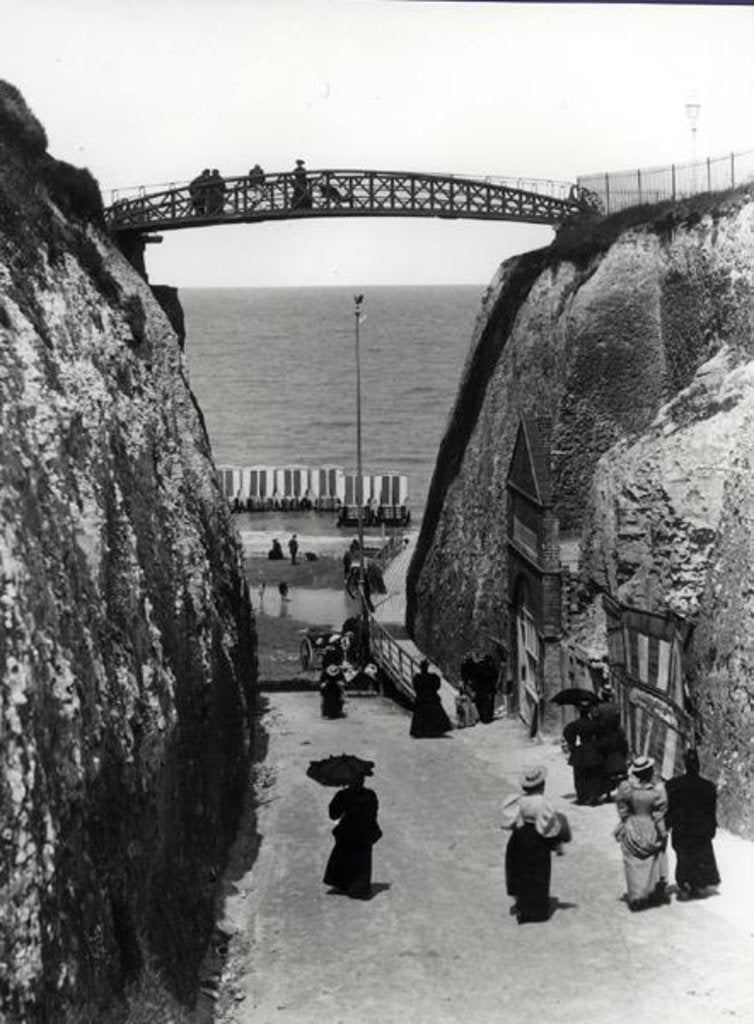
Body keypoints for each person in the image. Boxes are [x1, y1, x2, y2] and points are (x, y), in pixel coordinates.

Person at [501, 765, 570, 924]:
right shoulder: (544, 803)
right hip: (538, 839)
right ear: (542, 785)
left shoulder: (519, 800)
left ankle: (523, 908)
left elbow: (511, 820)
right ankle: (537, 911)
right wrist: (557, 843)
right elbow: (550, 826)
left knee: (522, 872)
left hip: (521, 836)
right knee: (538, 873)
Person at [614, 755, 670, 911]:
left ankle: (636, 896)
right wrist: (662, 833)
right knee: (653, 858)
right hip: (650, 826)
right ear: (650, 771)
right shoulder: (657, 790)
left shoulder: (626, 788)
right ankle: (652, 892)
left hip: (632, 825)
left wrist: (626, 820)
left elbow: (622, 807)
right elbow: (659, 814)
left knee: (632, 862)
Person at [665, 748, 720, 901]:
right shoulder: (708, 787)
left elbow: (670, 807)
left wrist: (667, 823)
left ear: (685, 765)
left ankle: (685, 883)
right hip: (699, 830)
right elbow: (711, 811)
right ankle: (694, 884)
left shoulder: (675, 785)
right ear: (698, 765)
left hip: (681, 828)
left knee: (683, 856)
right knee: (697, 855)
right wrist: (711, 828)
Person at [323, 770, 381, 899]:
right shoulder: (370, 794)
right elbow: (374, 813)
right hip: (365, 833)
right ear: (363, 781)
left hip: (347, 833)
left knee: (343, 858)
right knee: (362, 861)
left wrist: (342, 799)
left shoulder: (343, 795)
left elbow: (333, 814)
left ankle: (343, 885)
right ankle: (359, 888)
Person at [562, 702, 604, 805]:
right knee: (593, 775)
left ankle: (582, 796)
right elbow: (600, 734)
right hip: (592, 750)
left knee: (579, 776)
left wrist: (571, 744)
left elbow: (567, 732)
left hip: (581, 751)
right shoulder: (594, 723)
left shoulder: (576, 724)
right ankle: (592, 796)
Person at [409, 659, 452, 738]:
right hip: (432, 698)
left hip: (422, 699)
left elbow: (415, 687)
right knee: (435, 713)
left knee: (420, 715)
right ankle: (435, 730)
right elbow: (437, 686)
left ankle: (421, 731)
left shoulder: (417, 678)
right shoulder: (433, 677)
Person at [473, 655, 497, 724]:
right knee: (489, 703)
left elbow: (475, 678)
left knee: (481, 703)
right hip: (489, 688)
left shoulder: (478, 668)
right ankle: (488, 717)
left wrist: (474, 687)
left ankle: (483, 717)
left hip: (480, 689)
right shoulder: (491, 668)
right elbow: (495, 676)